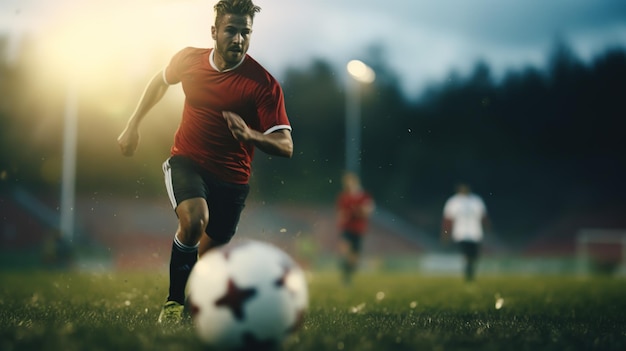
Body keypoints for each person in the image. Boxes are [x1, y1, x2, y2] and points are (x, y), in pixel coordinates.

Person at [116, 0, 293, 325]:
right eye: (231, 30)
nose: (238, 39)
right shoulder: (188, 60)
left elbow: (286, 146)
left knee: (208, 261)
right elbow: (159, 81)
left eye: (245, 32)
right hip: (187, 161)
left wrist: (251, 135)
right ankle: (172, 305)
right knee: (195, 220)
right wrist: (132, 125)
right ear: (214, 31)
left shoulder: (262, 84)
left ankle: (194, 307)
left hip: (233, 180)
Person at [441, 183, 489, 282]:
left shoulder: (476, 200)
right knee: (466, 253)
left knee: (474, 255)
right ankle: (468, 272)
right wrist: (445, 233)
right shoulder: (453, 202)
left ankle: (470, 269)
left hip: (475, 232)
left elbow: (483, 216)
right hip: (461, 233)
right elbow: (448, 219)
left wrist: (487, 228)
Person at [336, 172, 375, 284]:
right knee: (344, 249)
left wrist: (358, 211)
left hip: (358, 229)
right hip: (347, 228)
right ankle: (345, 267)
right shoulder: (343, 197)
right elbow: (340, 213)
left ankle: (347, 273)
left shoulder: (364, 196)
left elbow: (368, 211)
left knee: (354, 258)